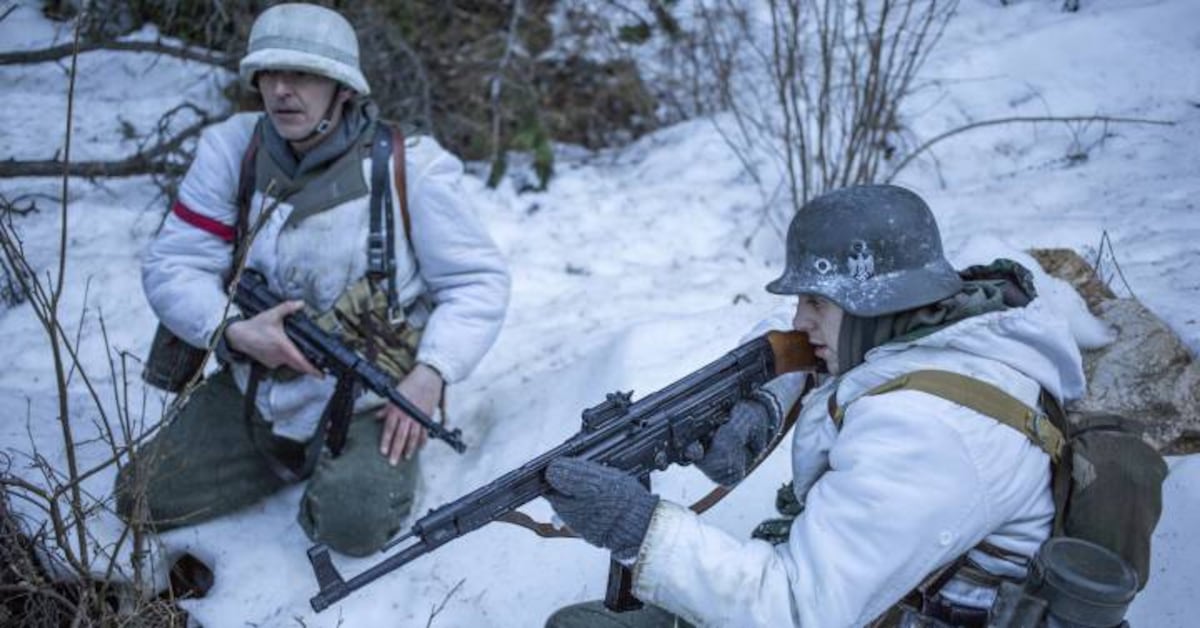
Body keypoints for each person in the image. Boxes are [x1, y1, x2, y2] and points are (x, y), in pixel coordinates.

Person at [543, 184, 1086, 627]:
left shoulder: (925, 431)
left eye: (816, 301)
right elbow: (810, 351)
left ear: (879, 302)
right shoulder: (958, 330)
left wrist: (639, 528)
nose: (800, 319)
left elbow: (798, 611)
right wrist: (763, 404)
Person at [115, 3, 510, 558]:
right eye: (270, 74)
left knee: (352, 523)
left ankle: (338, 473)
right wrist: (230, 330)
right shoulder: (233, 149)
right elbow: (174, 263)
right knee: (142, 498)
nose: (281, 90)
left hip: (374, 397)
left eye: (301, 74)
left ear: (342, 88)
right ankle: (280, 456)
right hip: (257, 384)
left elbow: (477, 282)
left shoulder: (411, 165)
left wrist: (432, 372)